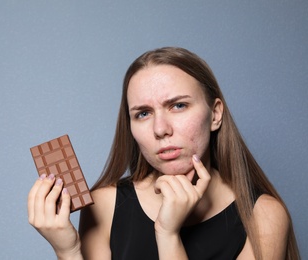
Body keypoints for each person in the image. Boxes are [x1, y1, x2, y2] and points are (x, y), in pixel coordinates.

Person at [28, 47, 300, 259]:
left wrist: (168, 235)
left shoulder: (263, 216)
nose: (160, 129)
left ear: (215, 114)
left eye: (178, 106)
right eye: (143, 113)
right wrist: (68, 251)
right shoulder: (105, 206)